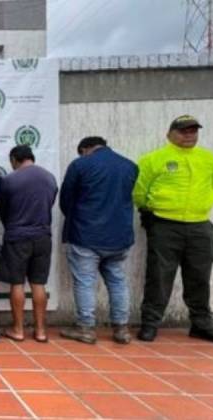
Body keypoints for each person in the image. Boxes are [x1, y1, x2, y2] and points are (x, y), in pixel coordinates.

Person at [134, 115, 213, 344]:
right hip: (165, 224)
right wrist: (149, 214)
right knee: (159, 276)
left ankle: (201, 323)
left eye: (193, 131)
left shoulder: (208, 159)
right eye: (184, 131)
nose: (189, 135)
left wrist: (201, 207)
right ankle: (150, 323)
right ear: (170, 133)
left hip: (199, 225)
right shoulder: (153, 159)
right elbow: (139, 191)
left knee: (199, 277)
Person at [58, 137, 137, 345]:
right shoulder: (129, 166)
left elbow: (66, 199)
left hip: (86, 233)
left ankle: (86, 328)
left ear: (85, 149)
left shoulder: (80, 165)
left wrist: (76, 218)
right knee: (118, 281)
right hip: (119, 236)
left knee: (85, 282)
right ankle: (122, 329)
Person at [0, 146, 57, 343]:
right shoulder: (49, 178)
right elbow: (50, 203)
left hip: (17, 236)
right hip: (42, 236)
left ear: (15, 159)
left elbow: (4, 211)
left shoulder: (9, 180)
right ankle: (40, 331)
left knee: (17, 284)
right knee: (39, 284)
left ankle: (18, 329)